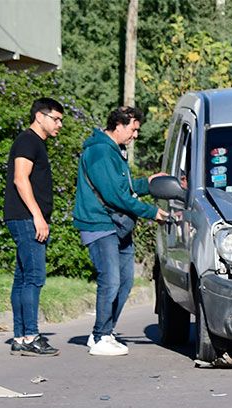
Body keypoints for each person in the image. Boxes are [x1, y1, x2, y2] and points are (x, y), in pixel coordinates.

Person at [72, 106, 159, 356]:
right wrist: (153, 213)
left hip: (116, 225)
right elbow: (114, 196)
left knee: (125, 281)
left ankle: (105, 332)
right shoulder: (100, 151)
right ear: (119, 126)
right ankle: (100, 337)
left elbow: (125, 188)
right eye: (133, 129)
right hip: (100, 224)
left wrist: (149, 183)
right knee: (110, 281)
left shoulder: (115, 151)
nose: (135, 135)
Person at [5, 98, 64, 356]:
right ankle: (31, 336)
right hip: (27, 218)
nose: (59, 124)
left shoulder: (33, 142)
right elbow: (20, 179)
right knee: (35, 278)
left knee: (22, 279)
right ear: (40, 116)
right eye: (56, 118)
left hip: (23, 217)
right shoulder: (28, 140)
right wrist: (38, 216)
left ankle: (20, 336)